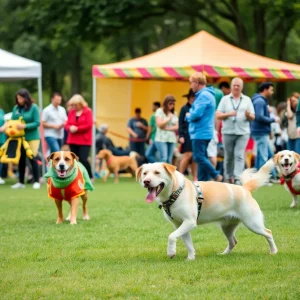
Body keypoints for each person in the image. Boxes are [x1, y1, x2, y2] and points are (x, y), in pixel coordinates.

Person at [216, 77, 255, 185]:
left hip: (243, 132)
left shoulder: (247, 99)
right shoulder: (225, 99)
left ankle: (238, 178)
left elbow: (253, 116)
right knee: (228, 156)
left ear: (241, 87)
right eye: (234, 85)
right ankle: (228, 177)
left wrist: (248, 115)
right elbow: (218, 115)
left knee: (239, 155)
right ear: (231, 87)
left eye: (238, 85)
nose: (236, 87)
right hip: (227, 132)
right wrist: (229, 114)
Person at [0, 89, 41, 189]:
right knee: (21, 159)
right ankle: (21, 182)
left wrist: (25, 126)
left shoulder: (34, 108)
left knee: (32, 158)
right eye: (18, 98)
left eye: (21, 98)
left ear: (26, 98)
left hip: (32, 138)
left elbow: (37, 122)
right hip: (19, 138)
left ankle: (36, 181)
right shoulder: (16, 108)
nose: (19, 100)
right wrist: (7, 129)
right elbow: (12, 121)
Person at [186, 72, 222, 182]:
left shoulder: (203, 95)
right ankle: (202, 182)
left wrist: (188, 115)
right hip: (203, 132)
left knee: (198, 157)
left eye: (191, 83)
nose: (191, 86)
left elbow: (196, 114)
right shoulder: (207, 95)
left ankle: (216, 175)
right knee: (202, 158)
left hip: (200, 132)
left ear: (197, 83)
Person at [64, 94, 93, 179]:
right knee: (74, 160)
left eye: (75, 105)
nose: (73, 107)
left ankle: (90, 176)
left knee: (83, 159)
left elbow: (88, 125)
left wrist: (77, 128)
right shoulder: (71, 112)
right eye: (72, 105)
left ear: (81, 104)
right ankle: (76, 177)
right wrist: (70, 127)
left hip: (84, 140)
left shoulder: (88, 111)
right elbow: (67, 124)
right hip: (73, 139)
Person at [251, 82, 276, 169]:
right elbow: (259, 117)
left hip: (260, 131)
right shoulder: (260, 101)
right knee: (263, 156)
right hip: (260, 131)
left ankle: (259, 175)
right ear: (265, 90)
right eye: (271, 90)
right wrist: (273, 119)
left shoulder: (260, 100)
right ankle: (263, 178)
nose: (272, 92)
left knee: (262, 155)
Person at [178, 89, 197, 180]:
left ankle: (195, 177)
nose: (193, 98)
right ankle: (180, 175)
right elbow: (180, 123)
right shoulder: (184, 108)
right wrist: (181, 135)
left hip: (196, 134)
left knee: (195, 157)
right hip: (186, 135)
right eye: (192, 97)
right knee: (187, 155)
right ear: (189, 97)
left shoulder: (198, 108)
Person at [155, 95, 178, 164]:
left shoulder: (174, 113)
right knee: (164, 158)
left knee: (169, 159)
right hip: (161, 139)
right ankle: (162, 173)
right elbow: (159, 124)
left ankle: (168, 174)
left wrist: (167, 128)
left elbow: (177, 126)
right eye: (170, 103)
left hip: (171, 138)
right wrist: (168, 119)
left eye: (173, 104)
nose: (172, 106)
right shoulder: (159, 111)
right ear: (166, 103)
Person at [0, 106, 5, 184]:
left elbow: (5, 123)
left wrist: (3, 128)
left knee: (0, 159)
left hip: (1, 139)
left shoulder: (1, 111)